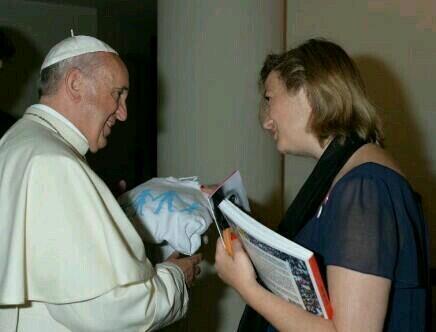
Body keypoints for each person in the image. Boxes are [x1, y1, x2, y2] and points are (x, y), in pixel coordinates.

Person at [214, 38, 430, 331]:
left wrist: (248, 289)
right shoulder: (347, 176)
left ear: (307, 91)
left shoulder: (364, 187)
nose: (266, 121)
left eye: (269, 99)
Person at [0, 34, 202, 331]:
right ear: (75, 84)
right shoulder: (56, 164)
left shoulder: (18, 141)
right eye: (117, 94)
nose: (123, 113)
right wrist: (174, 277)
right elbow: (107, 311)